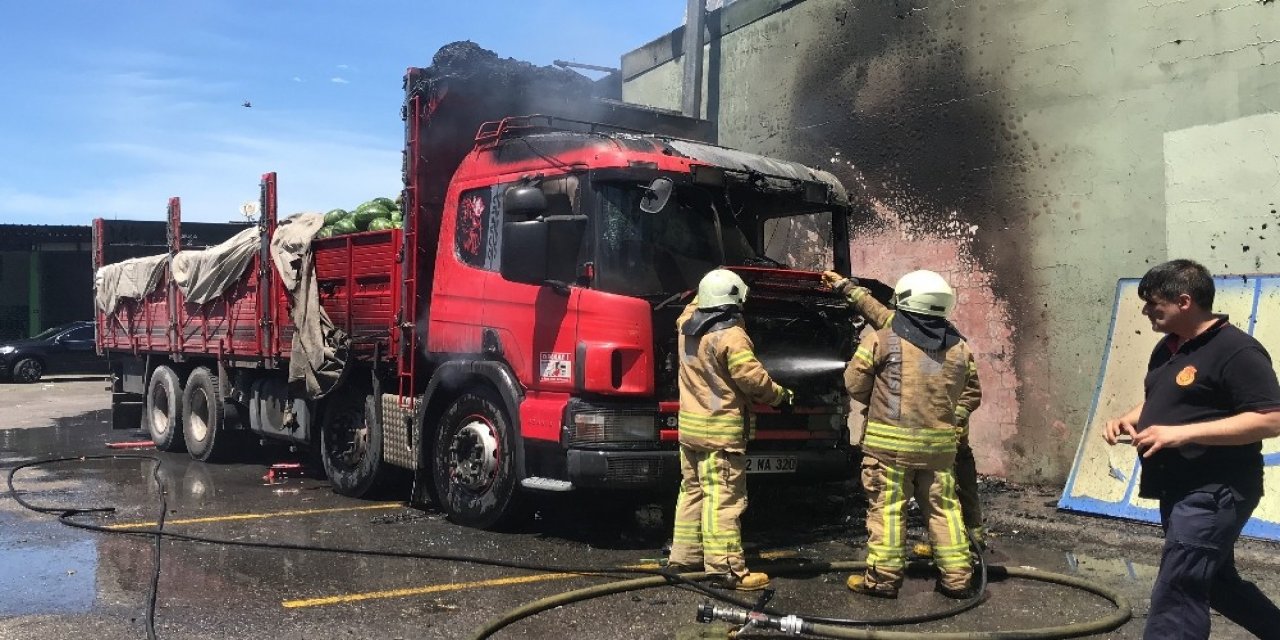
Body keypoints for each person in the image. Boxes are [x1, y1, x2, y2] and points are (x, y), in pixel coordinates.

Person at [1101, 259, 1280, 640]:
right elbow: (1165, 398)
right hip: (1178, 486)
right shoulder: (1168, 349)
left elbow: (1271, 419)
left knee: (1178, 587)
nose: (1147, 310)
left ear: (1184, 302)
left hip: (1216, 491)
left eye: (1153, 303)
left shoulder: (1237, 351)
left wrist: (1181, 435)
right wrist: (1131, 417)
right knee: (1216, 583)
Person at [833, 269, 981, 599]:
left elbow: (854, 384)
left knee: (887, 511)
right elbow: (970, 393)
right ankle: (958, 579)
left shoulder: (881, 340)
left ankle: (883, 580)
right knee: (945, 511)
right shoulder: (960, 349)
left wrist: (881, 399)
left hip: (889, 451)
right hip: (939, 452)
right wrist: (948, 418)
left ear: (904, 301)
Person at [666, 268, 794, 591]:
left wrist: (708, 283)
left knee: (692, 493)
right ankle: (725, 569)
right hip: (720, 434)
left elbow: (692, 305)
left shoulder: (686, 328)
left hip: (691, 432)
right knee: (722, 498)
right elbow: (752, 379)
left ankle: (683, 558)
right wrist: (780, 397)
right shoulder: (731, 336)